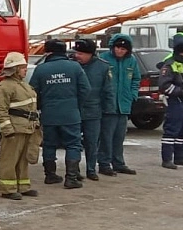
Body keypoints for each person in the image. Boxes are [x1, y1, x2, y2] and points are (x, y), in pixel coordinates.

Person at [29, 39, 91, 189]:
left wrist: (41, 106)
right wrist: (76, 105)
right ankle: (71, 178)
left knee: (49, 144)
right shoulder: (75, 67)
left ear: (48, 52)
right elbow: (86, 89)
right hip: (71, 114)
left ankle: (50, 175)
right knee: (73, 145)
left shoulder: (41, 69)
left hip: (49, 114)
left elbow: (32, 92)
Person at [0, 52, 39, 200]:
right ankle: (7, 189)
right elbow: (0, 111)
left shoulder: (23, 84)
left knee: (23, 159)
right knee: (9, 160)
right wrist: (7, 130)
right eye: (23, 67)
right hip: (15, 129)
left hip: (27, 127)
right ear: (15, 69)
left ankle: (23, 186)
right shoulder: (4, 87)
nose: (26, 70)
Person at [98, 34, 141, 176]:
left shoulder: (131, 61)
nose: (120, 51)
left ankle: (118, 163)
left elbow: (136, 79)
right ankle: (104, 163)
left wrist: (132, 95)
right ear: (112, 47)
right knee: (106, 136)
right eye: (117, 47)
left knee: (119, 137)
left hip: (123, 105)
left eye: (123, 49)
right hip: (108, 106)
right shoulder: (103, 59)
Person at [72, 39, 114, 181]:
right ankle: (74, 171)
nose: (78, 55)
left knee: (92, 142)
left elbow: (108, 90)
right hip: (74, 110)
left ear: (91, 54)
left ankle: (91, 169)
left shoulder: (103, 67)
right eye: (76, 52)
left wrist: (109, 109)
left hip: (93, 111)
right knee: (74, 143)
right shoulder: (71, 65)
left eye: (81, 53)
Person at [159, 32, 183, 169]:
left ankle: (180, 157)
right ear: (181, 50)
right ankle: (167, 159)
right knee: (172, 129)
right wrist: (180, 92)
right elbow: (164, 85)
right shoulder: (169, 65)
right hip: (175, 102)